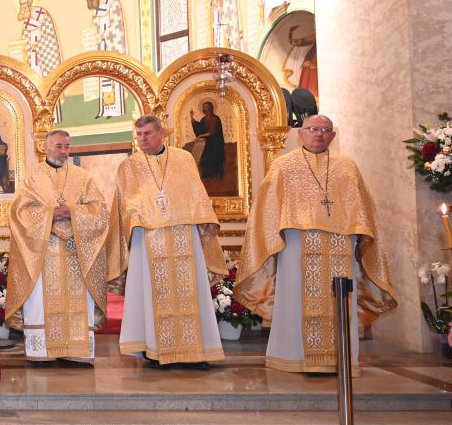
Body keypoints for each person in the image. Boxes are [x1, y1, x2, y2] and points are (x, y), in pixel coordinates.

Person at [235, 116, 396, 373]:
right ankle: (292, 357)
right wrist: (272, 240)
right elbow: (266, 209)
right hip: (296, 244)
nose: (319, 134)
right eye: (313, 129)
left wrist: (362, 237)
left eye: (325, 130)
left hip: (341, 243)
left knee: (340, 300)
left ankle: (340, 359)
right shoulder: (283, 166)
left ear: (332, 136)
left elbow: (363, 209)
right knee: (294, 298)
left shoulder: (347, 166)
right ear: (301, 133)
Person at [106, 116, 227, 368]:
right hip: (147, 237)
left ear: (161, 133)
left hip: (185, 235)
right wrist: (139, 215)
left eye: (148, 133)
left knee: (190, 293)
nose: (142, 139)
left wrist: (199, 221)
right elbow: (123, 205)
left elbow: (197, 195)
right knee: (151, 294)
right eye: (139, 134)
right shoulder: (128, 166)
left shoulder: (184, 159)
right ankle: (155, 351)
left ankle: (195, 352)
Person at [5, 131, 109, 364]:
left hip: (75, 253)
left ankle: (77, 351)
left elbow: (100, 211)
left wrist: (74, 212)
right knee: (42, 302)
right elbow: (19, 212)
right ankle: (42, 352)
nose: (64, 151)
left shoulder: (83, 177)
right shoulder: (32, 178)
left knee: (75, 304)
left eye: (67, 147)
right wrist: (49, 214)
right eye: (59, 146)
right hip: (44, 253)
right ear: (46, 147)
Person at [190, 101, 226, 182]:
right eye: (203, 107)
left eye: (206, 107)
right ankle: (207, 174)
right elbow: (199, 128)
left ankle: (215, 175)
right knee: (205, 158)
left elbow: (211, 132)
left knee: (213, 158)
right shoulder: (203, 119)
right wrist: (192, 117)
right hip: (207, 143)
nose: (204, 108)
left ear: (210, 108)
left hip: (215, 143)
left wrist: (200, 136)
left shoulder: (215, 119)